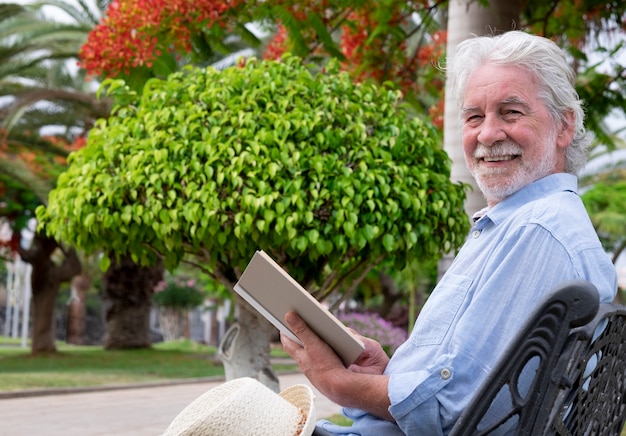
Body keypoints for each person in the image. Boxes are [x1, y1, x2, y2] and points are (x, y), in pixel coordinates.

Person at [280, 30, 618, 435]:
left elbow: (453, 413)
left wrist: (338, 383)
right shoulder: (516, 224)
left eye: (511, 112)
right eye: (474, 117)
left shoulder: (538, 229)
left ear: (564, 126)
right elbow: (471, 385)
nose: (488, 134)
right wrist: (384, 371)